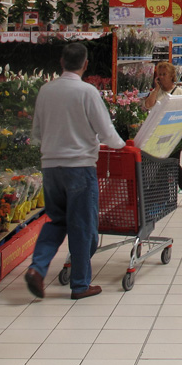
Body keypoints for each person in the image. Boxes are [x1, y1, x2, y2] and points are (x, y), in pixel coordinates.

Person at [25, 42, 125, 300]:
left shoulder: (46, 90)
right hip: (79, 167)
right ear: (85, 64)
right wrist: (121, 146)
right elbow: (106, 130)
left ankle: (37, 268)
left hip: (50, 167)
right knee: (82, 227)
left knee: (56, 221)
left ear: (61, 62)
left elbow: (36, 133)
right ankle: (80, 284)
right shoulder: (87, 92)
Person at [143, 61, 182, 205]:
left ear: (172, 76)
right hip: (157, 135)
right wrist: (156, 89)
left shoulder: (179, 92)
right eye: (159, 74)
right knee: (159, 164)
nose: (161, 77)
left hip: (174, 135)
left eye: (164, 74)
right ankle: (163, 196)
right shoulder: (156, 92)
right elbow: (148, 105)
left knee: (172, 164)